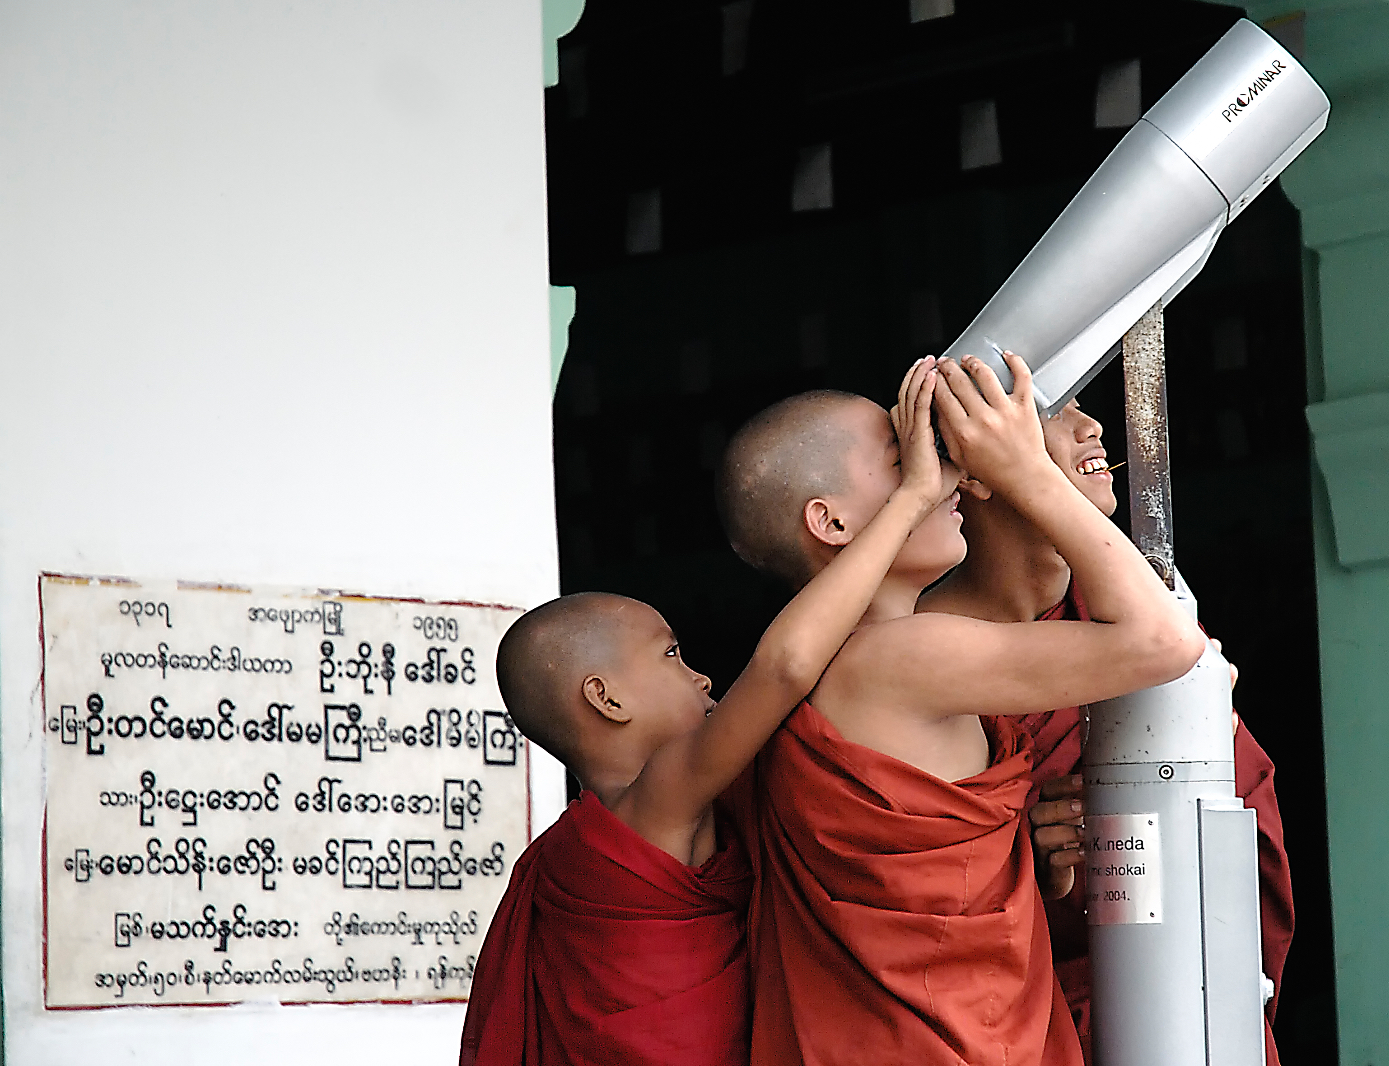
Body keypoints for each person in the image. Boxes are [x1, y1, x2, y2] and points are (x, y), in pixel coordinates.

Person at [459, 360, 956, 1066]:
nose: (700, 674)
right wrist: (909, 500)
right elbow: (784, 668)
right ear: (606, 699)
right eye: (669, 656)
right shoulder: (656, 806)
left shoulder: (638, 834)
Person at [715, 353, 1206, 1066]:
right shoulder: (895, 660)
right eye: (902, 455)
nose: (942, 475)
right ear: (831, 522)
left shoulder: (849, 665)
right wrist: (1025, 471)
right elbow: (1162, 640)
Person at [918, 396, 1295, 1066]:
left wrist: (1185, 775)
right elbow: (911, 918)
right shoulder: (911, 667)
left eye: (1083, 406)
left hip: (1178, 1010)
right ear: (972, 471)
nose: (1092, 427)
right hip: (1035, 1029)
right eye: (1056, 412)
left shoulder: (1129, 615)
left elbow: (1240, 842)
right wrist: (1030, 871)